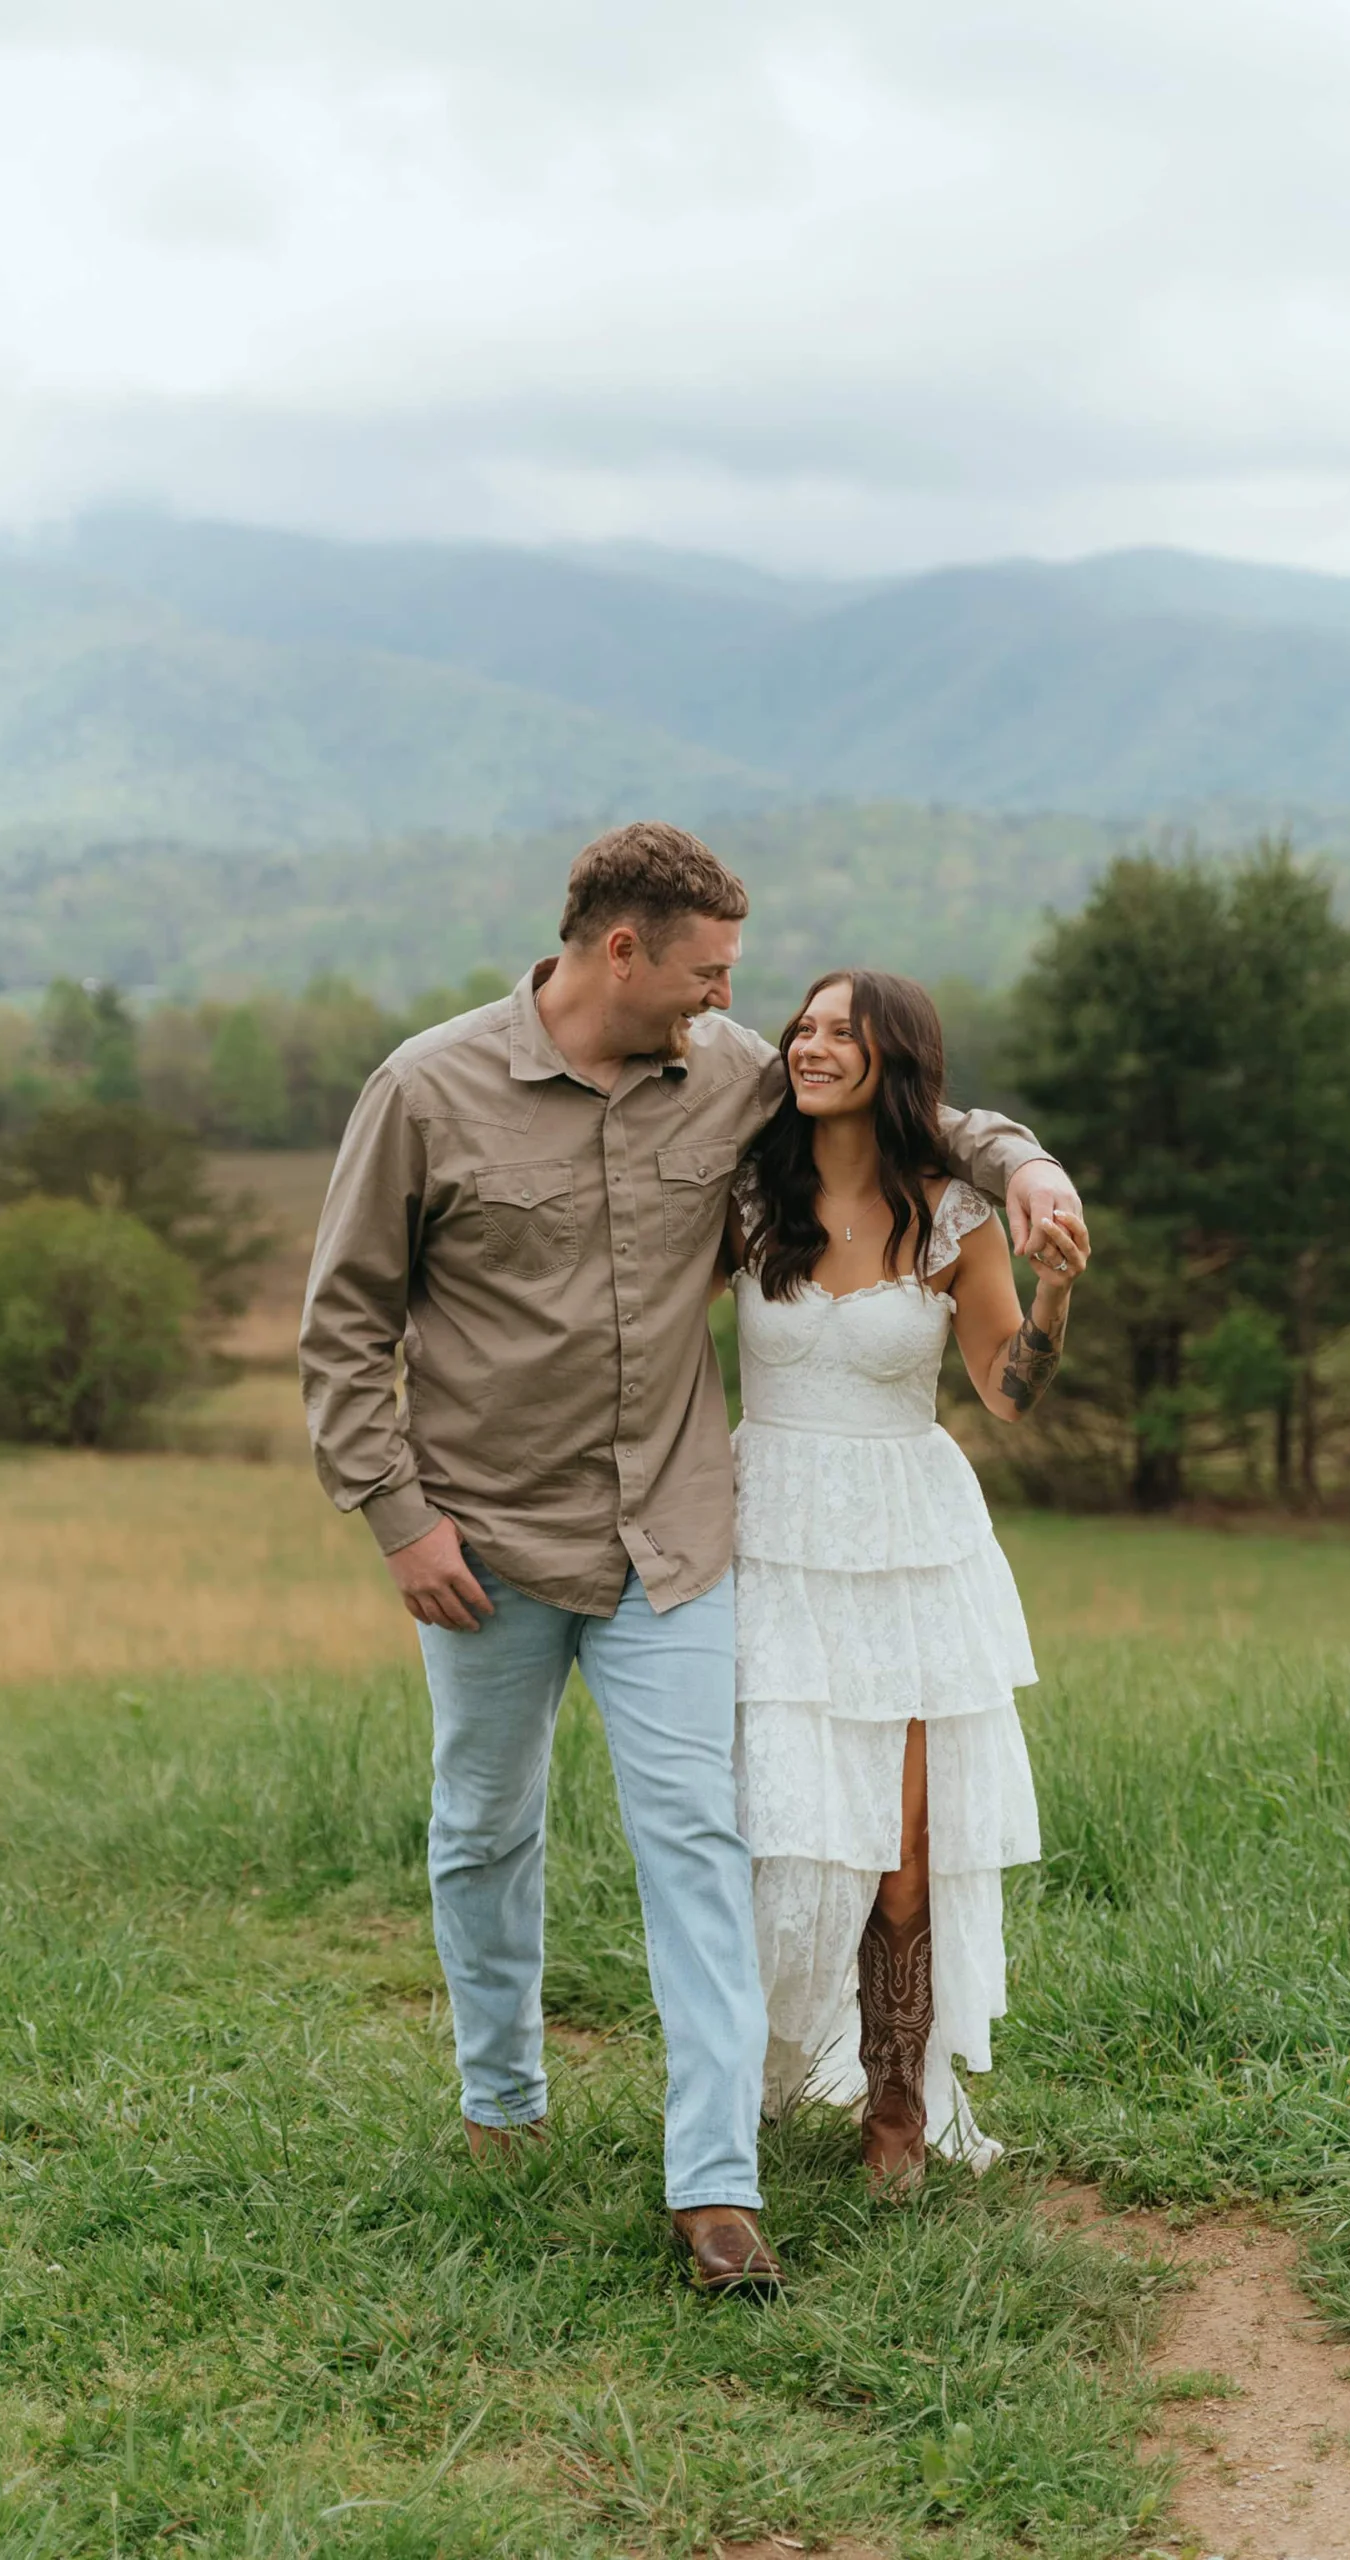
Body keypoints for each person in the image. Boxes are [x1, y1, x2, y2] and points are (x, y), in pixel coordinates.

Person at [299, 822, 1087, 2292]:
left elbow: (918, 1112)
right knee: (484, 1829)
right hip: (483, 1541)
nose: (737, 1006)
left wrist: (1025, 1164)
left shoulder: (719, 1072)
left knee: (700, 1847)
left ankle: (714, 2187)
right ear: (622, 950)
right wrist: (396, 1517)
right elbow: (344, 1322)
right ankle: (501, 2102)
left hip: (673, 1540)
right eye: (712, 974)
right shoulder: (426, 1087)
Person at [726, 969, 1087, 2189]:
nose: (813, 1046)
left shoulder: (947, 1215)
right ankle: (757, 2075)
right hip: (769, 1528)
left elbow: (1008, 1390)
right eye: (806, 1027)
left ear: (897, 1061)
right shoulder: (744, 1195)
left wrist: (1057, 1290)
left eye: (844, 1033)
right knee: (784, 1827)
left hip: (912, 1537)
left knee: (907, 1841)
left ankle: (896, 2103)